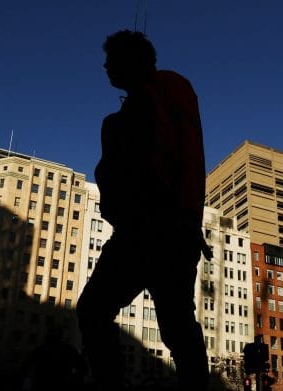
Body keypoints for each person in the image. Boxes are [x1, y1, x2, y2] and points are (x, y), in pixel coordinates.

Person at [77, 30, 210, 390]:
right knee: (179, 325)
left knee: (93, 311)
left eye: (112, 59)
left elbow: (137, 169)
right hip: (179, 231)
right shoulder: (175, 97)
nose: (105, 66)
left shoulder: (140, 107)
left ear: (131, 61)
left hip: (147, 229)